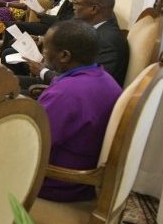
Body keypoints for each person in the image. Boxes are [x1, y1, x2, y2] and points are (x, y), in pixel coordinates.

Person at [36, 20, 122, 202]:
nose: (43, 53)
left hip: (58, 182)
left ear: (64, 56)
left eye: (46, 49)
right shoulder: (103, 77)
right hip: (83, 175)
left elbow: (34, 142)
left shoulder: (65, 94)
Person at [22, 0, 130, 88]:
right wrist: (43, 41)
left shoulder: (108, 40)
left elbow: (92, 84)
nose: (73, 6)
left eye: (77, 3)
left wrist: (43, 72)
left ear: (93, 9)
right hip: (63, 78)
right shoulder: (91, 25)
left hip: (72, 92)